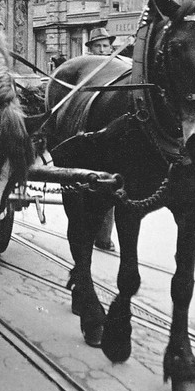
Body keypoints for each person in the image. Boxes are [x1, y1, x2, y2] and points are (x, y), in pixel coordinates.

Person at [84, 26, 117, 249]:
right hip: (87, 127)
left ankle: (104, 236)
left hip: (113, 128)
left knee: (111, 184)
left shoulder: (119, 66)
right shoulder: (84, 68)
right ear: (91, 49)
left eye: (106, 46)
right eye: (98, 46)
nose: (103, 50)